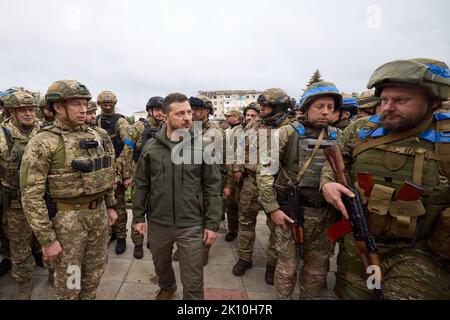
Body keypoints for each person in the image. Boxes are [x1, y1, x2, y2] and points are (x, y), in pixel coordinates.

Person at [321, 58, 450, 299]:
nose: (388, 107)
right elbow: (335, 163)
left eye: (400, 100)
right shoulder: (361, 131)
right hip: (358, 240)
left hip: (420, 252)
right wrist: (328, 183)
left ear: (433, 102)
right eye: (385, 100)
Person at [20, 80, 118, 299]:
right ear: (58, 107)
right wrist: (47, 239)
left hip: (98, 216)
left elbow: (107, 172)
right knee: (70, 281)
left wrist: (111, 205)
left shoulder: (98, 136)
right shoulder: (44, 143)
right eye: (76, 104)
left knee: (94, 272)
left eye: (85, 103)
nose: (83, 109)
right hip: (67, 222)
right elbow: (31, 195)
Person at [132, 93, 222, 300]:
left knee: (193, 276)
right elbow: (142, 185)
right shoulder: (151, 147)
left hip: (190, 223)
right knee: (160, 264)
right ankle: (167, 286)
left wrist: (212, 223)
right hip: (158, 222)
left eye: (189, 112)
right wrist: (138, 217)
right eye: (180, 113)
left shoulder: (202, 147)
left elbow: (213, 188)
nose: (188, 117)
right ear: (165, 116)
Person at [257, 82, 341, 299]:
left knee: (317, 269)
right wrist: (273, 208)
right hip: (292, 213)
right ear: (305, 108)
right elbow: (265, 173)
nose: (325, 112)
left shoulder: (339, 136)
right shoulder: (286, 133)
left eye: (330, 107)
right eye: (319, 106)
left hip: (325, 215)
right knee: (287, 267)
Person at [232, 88, 291, 285]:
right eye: (261, 105)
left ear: (279, 107)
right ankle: (244, 258)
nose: (261, 108)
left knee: (276, 229)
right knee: (246, 220)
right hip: (250, 181)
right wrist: (238, 168)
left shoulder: (289, 127)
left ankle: (271, 266)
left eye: (266, 106)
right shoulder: (254, 123)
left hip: (277, 185)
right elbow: (241, 147)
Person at [0, 90, 41, 299]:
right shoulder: (2, 134)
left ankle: (54, 272)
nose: (28, 113)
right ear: (12, 112)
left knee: (48, 238)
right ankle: (25, 284)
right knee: (19, 245)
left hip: (42, 200)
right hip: (15, 202)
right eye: (22, 110)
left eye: (31, 109)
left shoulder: (44, 131)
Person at [96, 90, 134, 254]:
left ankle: (121, 237)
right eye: (104, 104)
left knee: (118, 205)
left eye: (110, 104)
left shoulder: (120, 122)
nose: (107, 107)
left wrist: (123, 170)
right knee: (104, 205)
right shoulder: (97, 120)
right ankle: (110, 234)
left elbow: (129, 145)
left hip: (117, 170)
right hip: (101, 170)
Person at [131, 96, 165, 258]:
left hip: (158, 177)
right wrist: (126, 175)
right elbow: (127, 152)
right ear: (150, 110)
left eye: (162, 110)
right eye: (157, 110)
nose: (160, 113)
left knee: (155, 211)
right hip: (139, 175)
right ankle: (138, 242)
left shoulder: (167, 127)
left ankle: (152, 238)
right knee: (138, 209)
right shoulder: (138, 127)